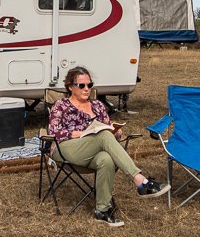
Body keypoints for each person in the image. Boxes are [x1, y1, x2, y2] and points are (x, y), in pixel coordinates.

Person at [46, 66, 168, 226]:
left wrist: (115, 131)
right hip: (65, 148)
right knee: (103, 135)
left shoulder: (97, 105)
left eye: (89, 85)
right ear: (70, 87)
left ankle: (102, 210)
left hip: (92, 150)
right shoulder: (61, 105)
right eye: (81, 85)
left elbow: (106, 128)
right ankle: (140, 181)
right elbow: (54, 131)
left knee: (106, 159)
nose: (86, 89)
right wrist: (82, 133)